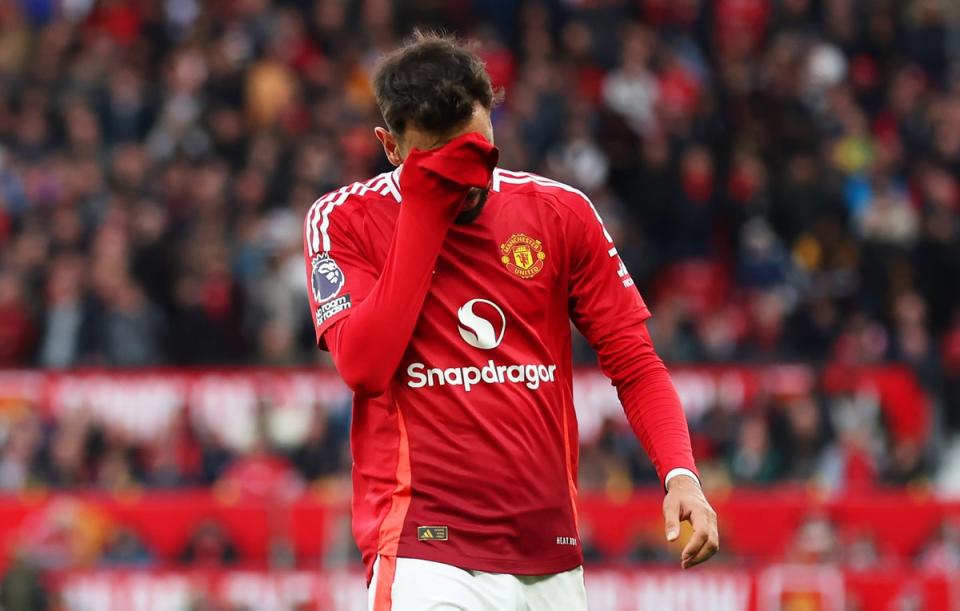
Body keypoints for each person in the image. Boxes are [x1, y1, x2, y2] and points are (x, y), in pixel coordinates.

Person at [301, 31, 718, 611]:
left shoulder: (559, 212)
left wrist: (681, 475)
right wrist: (426, 203)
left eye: (476, 147)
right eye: (440, 158)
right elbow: (364, 366)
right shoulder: (345, 219)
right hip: (426, 550)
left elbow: (635, 362)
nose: (467, 175)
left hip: (550, 553)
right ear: (391, 147)